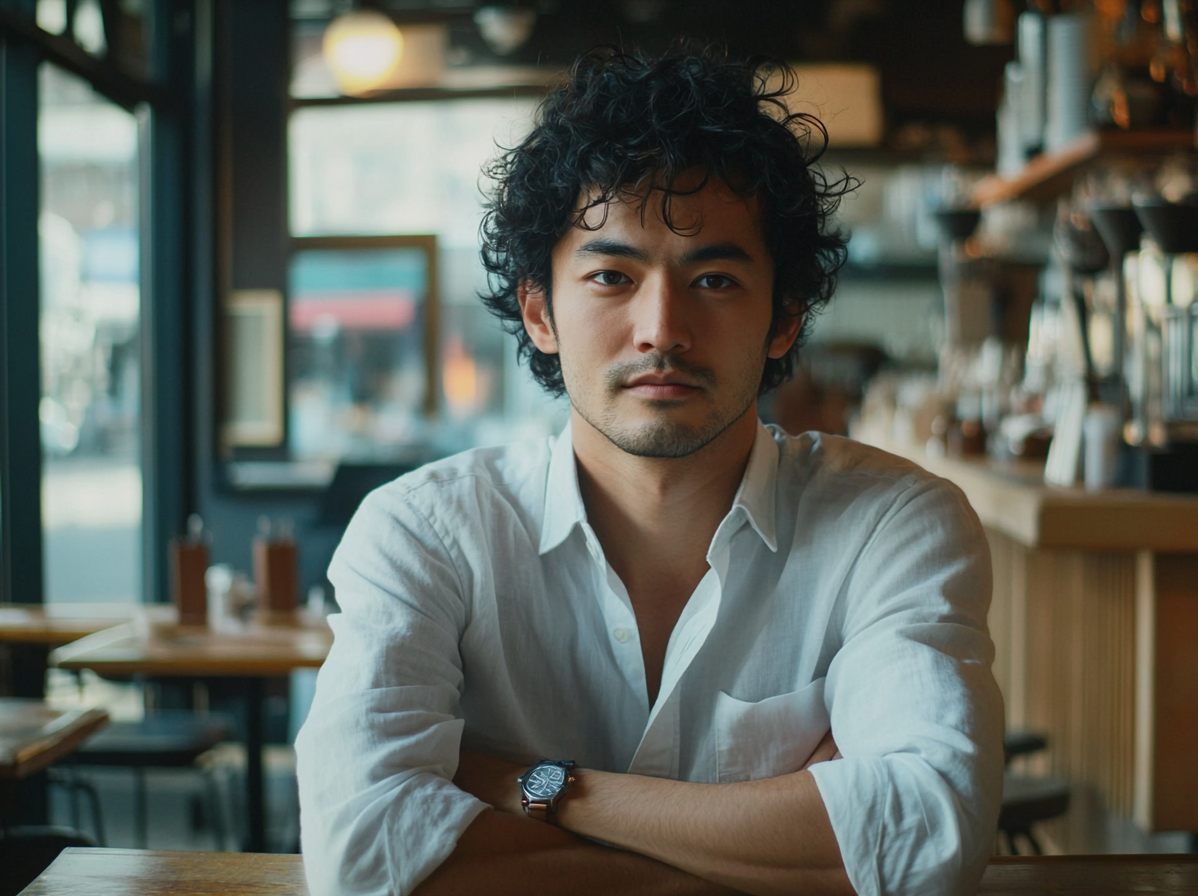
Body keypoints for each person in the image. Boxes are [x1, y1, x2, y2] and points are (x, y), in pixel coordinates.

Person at [296, 47, 1003, 896]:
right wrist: (773, 842)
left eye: (712, 277)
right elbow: (362, 852)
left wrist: (524, 784)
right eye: (610, 276)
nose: (660, 328)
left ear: (784, 318)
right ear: (539, 310)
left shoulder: (896, 523)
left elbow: (927, 836)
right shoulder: (422, 532)